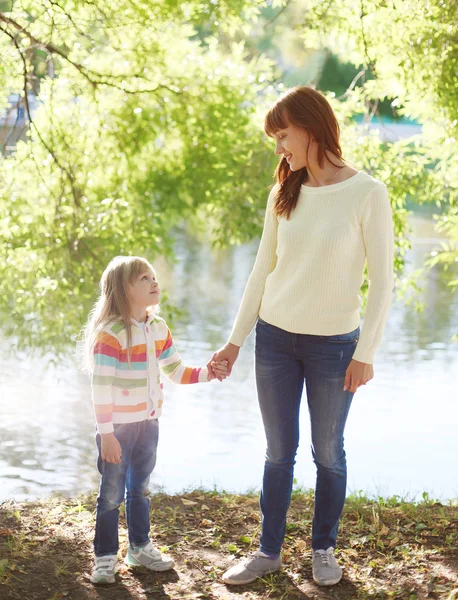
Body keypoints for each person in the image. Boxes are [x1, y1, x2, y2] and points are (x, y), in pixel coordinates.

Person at [208, 86, 394, 587]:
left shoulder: (367, 193)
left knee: (328, 451)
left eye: (282, 136)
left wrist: (366, 352)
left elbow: (383, 281)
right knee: (277, 451)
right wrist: (234, 341)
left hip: (335, 347)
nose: (279, 149)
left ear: (311, 128)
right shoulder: (284, 190)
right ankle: (268, 551)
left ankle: (323, 550)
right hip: (274, 340)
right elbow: (260, 271)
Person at [82, 255, 228, 585]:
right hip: (116, 429)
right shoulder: (111, 334)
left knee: (141, 489)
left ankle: (139, 548)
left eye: (153, 277)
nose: (154, 282)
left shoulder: (158, 328)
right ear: (123, 289)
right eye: (144, 278)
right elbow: (100, 388)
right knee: (110, 494)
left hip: (149, 425)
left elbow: (174, 371)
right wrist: (106, 435)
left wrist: (208, 373)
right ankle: (104, 557)